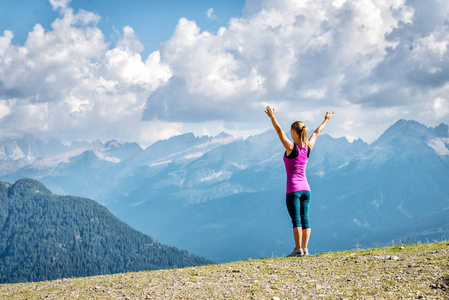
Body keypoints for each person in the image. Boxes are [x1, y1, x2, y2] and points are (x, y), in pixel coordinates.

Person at [265, 106, 334, 257]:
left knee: (296, 219)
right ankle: (305, 248)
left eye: (291, 131)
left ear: (295, 132)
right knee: (305, 218)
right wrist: (326, 120)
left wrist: (272, 117)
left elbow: (278, 131)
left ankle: (298, 249)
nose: (289, 133)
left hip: (293, 190)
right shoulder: (308, 147)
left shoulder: (291, 148)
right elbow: (316, 132)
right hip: (306, 190)